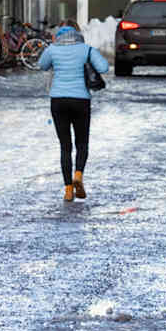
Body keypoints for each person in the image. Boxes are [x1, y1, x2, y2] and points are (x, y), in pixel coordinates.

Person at [37, 21, 109, 202]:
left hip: (58, 101)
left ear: (59, 35)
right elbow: (104, 68)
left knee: (65, 146)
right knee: (82, 143)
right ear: (77, 34)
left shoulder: (52, 49)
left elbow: (42, 65)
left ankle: (68, 189)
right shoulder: (86, 49)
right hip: (81, 100)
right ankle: (78, 175)